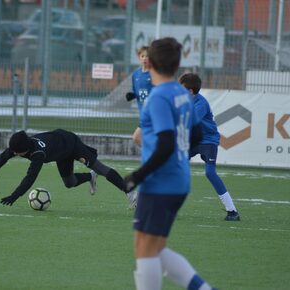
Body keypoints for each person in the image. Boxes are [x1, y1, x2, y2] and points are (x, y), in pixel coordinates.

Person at [124, 37, 216, 290]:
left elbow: (165, 144)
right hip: (178, 179)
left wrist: (137, 176)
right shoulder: (181, 93)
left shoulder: (159, 97)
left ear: (150, 62)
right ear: (176, 66)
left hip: (161, 183)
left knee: (144, 248)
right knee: (156, 247)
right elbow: (196, 135)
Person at [0, 129, 137, 207]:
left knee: (100, 168)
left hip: (71, 144)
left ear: (25, 149)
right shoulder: (19, 146)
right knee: (69, 183)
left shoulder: (38, 154)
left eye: (16, 152)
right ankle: (90, 177)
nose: (13, 153)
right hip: (60, 153)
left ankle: (130, 192)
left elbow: (30, 178)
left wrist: (14, 195)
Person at [179, 72, 240, 221]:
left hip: (208, 140)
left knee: (210, 173)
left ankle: (232, 211)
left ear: (190, 91)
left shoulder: (200, 103)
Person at [126, 46, 154, 146]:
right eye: (142, 56)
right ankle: (157, 156)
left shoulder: (154, 73)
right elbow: (137, 91)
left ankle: (157, 156)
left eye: (147, 56)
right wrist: (133, 95)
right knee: (139, 139)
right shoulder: (136, 74)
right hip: (144, 113)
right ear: (139, 57)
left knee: (137, 137)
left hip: (153, 112)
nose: (145, 58)